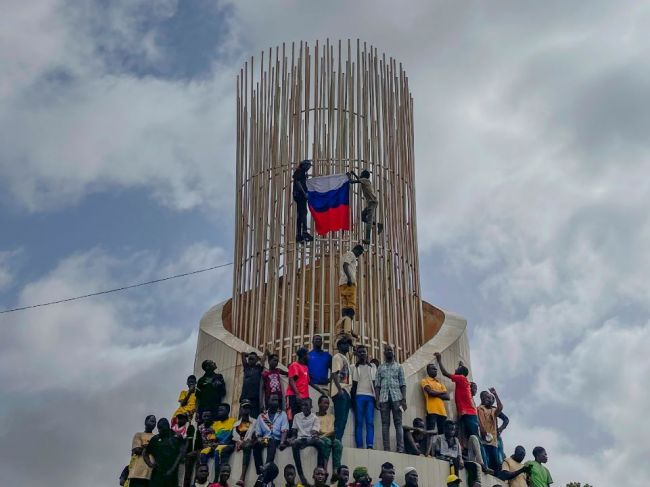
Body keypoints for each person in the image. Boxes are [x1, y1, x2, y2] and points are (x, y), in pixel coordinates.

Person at [433, 353, 479, 442]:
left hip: (468, 413)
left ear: (461, 373)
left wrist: (439, 360)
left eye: (457, 369)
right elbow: (462, 372)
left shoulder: (461, 378)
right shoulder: (463, 380)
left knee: (474, 437)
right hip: (466, 412)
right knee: (465, 435)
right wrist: (461, 366)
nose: (455, 369)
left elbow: (444, 373)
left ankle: (479, 455)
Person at [375, 345, 406, 452]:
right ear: (384, 353)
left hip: (397, 398)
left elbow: (403, 384)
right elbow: (377, 385)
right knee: (385, 424)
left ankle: (400, 448)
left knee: (398, 423)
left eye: (390, 350)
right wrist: (377, 399)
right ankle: (386, 448)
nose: (388, 352)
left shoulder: (399, 367)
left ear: (394, 352)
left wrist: (404, 399)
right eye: (386, 350)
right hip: (383, 399)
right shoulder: (380, 368)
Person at [143, 418, 185, 487]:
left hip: (172, 476)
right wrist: (150, 464)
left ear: (168, 427)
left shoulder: (177, 437)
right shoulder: (155, 439)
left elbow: (182, 451)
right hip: (157, 475)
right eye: (159, 428)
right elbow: (145, 452)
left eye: (162, 428)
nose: (160, 430)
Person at [290, 397, 321, 485]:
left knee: (321, 443)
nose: (304, 407)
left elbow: (314, 433)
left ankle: (319, 471)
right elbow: (294, 432)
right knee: (295, 443)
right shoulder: (297, 416)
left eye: (306, 405)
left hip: (311, 439)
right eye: (302, 405)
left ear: (311, 406)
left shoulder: (315, 418)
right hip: (300, 440)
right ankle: (301, 475)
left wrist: (309, 440)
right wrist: (292, 439)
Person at [251, 393, 290, 464]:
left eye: (277, 400)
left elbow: (284, 430)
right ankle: (259, 470)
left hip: (277, 440)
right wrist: (259, 439)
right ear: (268, 401)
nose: (275, 402)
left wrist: (282, 442)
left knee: (272, 442)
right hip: (265, 439)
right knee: (256, 445)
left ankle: (267, 466)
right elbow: (258, 433)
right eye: (273, 400)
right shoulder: (261, 416)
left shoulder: (282, 414)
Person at [351, 344, 376, 449]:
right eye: (360, 352)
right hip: (358, 397)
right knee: (359, 422)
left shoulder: (373, 367)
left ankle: (370, 445)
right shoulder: (353, 367)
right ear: (357, 354)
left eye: (364, 352)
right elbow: (352, 385)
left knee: (370, 422)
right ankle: (360, 445)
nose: (362, 354)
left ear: (367, 354)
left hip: (370, 397)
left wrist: (377, 399)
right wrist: (352, 401)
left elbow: (376, 383)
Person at [347, 170, 382, 244]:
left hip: (372, 202)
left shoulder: (365, 180)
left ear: (363, 175)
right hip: (371, 202)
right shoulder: (365, 180)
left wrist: (349, 176)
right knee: (362, 216)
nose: (360, 174)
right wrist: (354, 174)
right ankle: (378, 225)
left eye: (361, 174)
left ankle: (368, 239)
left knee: (369, 221)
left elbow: (352, 182)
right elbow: (358, 179)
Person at [232, 400, 261, 486]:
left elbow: (256, 435)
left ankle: (242, 477)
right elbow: (235, 437)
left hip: (250, 443)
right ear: (240, 409)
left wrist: (247, 441)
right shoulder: (236, 424)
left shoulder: (255, 421)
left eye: (248, 408)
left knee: (248, 445)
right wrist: (239, 442)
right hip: (240, 445)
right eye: (244, 408)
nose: (246, 410)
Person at [477, 388, 503, 472]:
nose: (488, 400)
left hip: (493, 441)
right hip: (484, 439)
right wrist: (483, 431)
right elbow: (480, 421)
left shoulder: (493, 410)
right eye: (487, 398)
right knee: (485, 459)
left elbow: (500, 407)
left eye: (491, 398)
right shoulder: (480, 408)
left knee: (495, 462)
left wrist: (495, 394)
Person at [331, 338, 352, 440]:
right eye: (345, 344)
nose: (347, 346)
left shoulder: (345, 358)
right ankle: (336, 441)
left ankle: (338, 440)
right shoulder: (337, 357)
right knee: (340, 419)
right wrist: (339, 390)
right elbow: (334, 374)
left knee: (344, 419)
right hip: (341, 391)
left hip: (346, 392)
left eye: (348, 344)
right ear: (339, 346)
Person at [315, 395, 343, 474]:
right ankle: (324, 469)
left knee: (338, 443)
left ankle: (335, 471)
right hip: (320, 439)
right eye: (325, 403)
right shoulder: (314, 416)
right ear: (319, 404)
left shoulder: (331, 416)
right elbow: (315, 431)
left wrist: (322, 434)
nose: (326, 405)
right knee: (327, 442)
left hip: (326, 437)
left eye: (328, 403)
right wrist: (323, 434)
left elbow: (331, 430)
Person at [420, 363, 449, 434]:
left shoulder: (440, 383)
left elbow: (447, 397)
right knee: (431, 433)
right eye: (433, 369)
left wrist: (435, 392)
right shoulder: (425, 380)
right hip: (431, 410)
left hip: (442, 412)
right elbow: (430, 392)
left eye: (436, 369)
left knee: (442, 434)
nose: (435, 370)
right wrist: (441, 392)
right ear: (428, 371)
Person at [128, 415, 157, 487]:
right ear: (146, 422)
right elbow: (136, 450)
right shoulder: (138, 435)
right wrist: (151, 448)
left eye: (155, 422)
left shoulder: (156, 437)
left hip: (150, 475)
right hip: (137, 474)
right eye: (152, 421)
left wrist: (145, 447)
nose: (153, 423)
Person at [339, 245, 364, 326]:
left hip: (342, 283)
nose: (358, 255)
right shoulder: (351, 254)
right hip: (349, 283)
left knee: (345, 305)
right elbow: (345, 265)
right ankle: (349, 327)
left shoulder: (344, 255)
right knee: (351, 304)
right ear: (356, 250)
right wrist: (349, 278)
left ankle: (345, 326)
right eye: (359, 253)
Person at [286, 347, 311, 422]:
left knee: (302, 418)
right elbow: (291, 380)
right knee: (292, 417)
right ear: (303, 355)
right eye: (308, 355)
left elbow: (308, 381)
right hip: (295, 396)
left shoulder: (305, 367)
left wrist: (320, 390)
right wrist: (297, 394)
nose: (309, 357)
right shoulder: (294, 365)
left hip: (304, 397)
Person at [293, 159, 314, 243]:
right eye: (308, 166)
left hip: (298, 196)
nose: (309, 167)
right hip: (300, 196)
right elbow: (298, 182)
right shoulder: (300, 171)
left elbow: (299, 181)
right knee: (304, 213)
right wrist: (304, 193)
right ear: (304, 165)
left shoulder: (300, 172)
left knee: (300, 215)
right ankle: (304, 232)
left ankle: (299, 234)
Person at [241, 351, 264, 418]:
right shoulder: (246, 367)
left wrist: (258, 357)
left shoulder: (259, 368)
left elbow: (263, 359)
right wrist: (250, 355)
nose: (250, 360)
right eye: (249, 359)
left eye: (252, 359)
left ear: (256, 360)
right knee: (243, 417)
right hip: (244, 396)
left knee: (254, 417)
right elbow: (242, 353)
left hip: (254, 397)